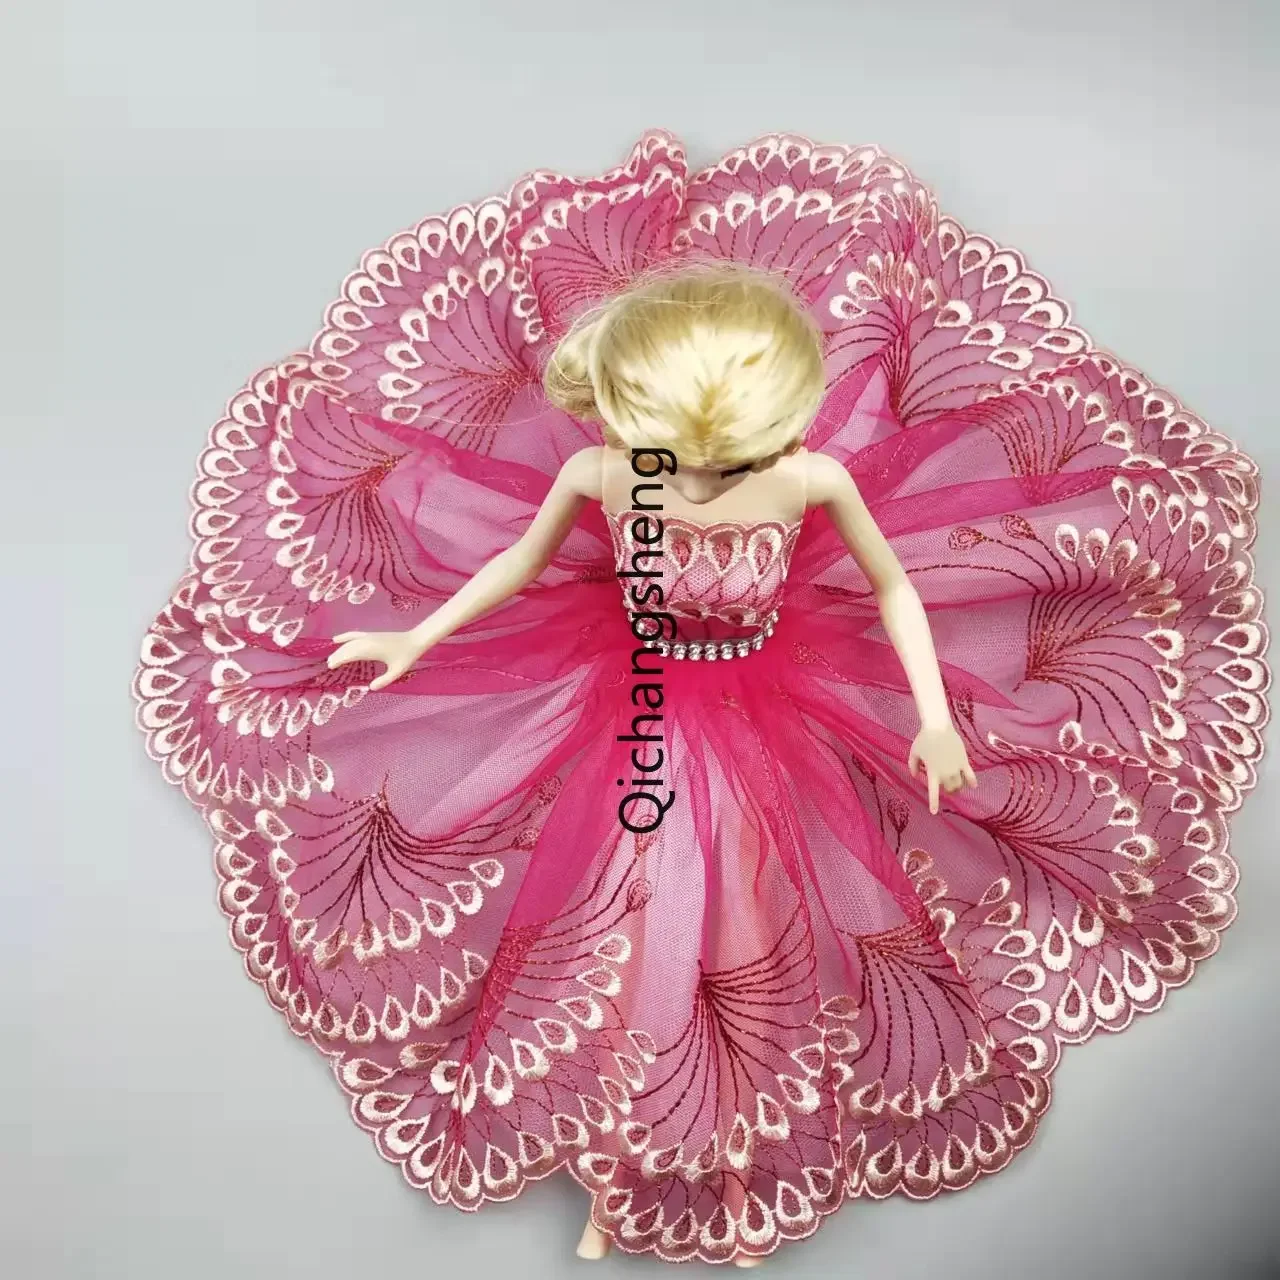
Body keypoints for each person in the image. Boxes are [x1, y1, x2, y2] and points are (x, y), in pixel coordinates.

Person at [135, 131, 1265, 1267]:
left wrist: (930, 714)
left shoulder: (808, 476)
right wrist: (418, 634)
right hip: (629, 687)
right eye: (681, 457)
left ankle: (704, 1149)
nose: (708, 481)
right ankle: (617, 1149)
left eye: (734, 459)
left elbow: (893, 586)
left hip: (780, 687)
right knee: (624, 904)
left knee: (746, 913)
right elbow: (521, 562)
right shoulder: (602, 471)